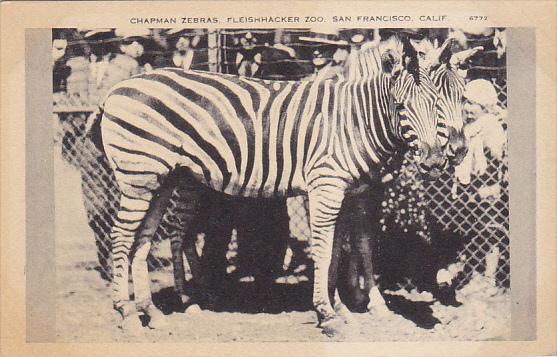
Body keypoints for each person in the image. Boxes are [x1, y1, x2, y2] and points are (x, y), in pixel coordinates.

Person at [453, 79, 507, 200]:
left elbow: (495, 155)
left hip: (486, 184)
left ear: (485, 108)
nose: (468, 108)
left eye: (473, 103)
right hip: (466, 188)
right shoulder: (465, 127)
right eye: (466, 102)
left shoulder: (490, 123)